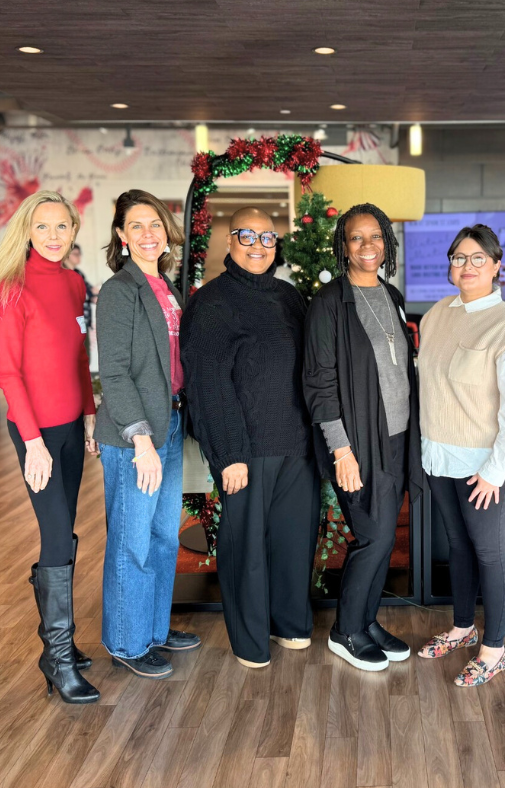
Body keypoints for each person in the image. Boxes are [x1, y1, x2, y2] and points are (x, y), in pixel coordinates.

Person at [181, 208, 319, 669]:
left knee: (293, 543)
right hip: (246, 449)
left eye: (267, 237)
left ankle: (289, 623)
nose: (258, 246)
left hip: (296, 444)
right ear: (229, 241)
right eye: (247, 236)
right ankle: (250, 641)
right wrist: (229, 454)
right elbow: (209, 384)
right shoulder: (211, 302)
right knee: (247, 550)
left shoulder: (289, 296)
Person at [0, 191, 100, 704]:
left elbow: (79, 357)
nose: (53, 236)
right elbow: (8, 373)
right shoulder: (13, 287)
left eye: (61, 226)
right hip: (37, 433)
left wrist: (90, 414)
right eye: (42, 227)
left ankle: (59, 647)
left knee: (65, 531)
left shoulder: (75, 284)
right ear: (27, 233)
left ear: (74, 230)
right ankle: (58, 658)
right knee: (55, 535)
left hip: (72, 425)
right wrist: (32, 442)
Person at [416, 225, 505, 686]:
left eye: (477, 258)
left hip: (485, 465)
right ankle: (463, 627)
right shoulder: (437, 315)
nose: (466, 266)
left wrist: (494, 472)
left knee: (489, 552)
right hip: (439, 456)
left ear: (496, 265)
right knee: (459, 545)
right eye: (458, 258)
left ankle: (495, 648)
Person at [304, 203, 422, 672]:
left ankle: (367, 622)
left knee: (383, 536)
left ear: (387, 244)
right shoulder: (329, 302)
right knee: (372, 536)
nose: (367, 245)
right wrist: (342, 451)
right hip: (356, 444)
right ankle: (346, 630)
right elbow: (319, 382)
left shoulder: (391, 295)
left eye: (375, 236)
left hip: (397, 438)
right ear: (344, 245)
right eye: (356, 237)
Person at [95, 189, 201, 680]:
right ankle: (126, 640)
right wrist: (141, 441)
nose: (147, 234)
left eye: (154, 223)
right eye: (135, 226)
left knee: (162, 538)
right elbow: (114, 373)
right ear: (121, 235)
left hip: (170, 424)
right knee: (131, 541)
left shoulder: (167, 288)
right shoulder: (120, 290)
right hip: (134, 436)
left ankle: (153, 629)